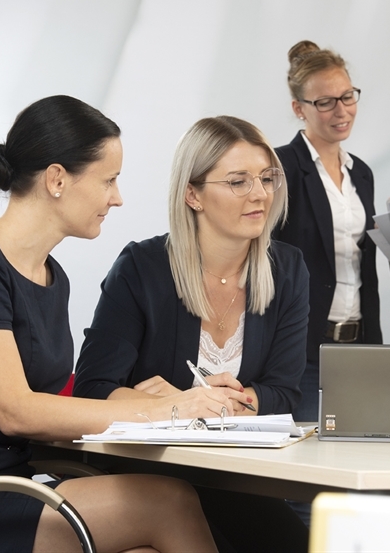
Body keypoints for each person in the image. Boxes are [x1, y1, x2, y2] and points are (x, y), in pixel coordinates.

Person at [0, 95, 217, 552]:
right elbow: (16, 411)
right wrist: (162, 412)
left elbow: (49, 398)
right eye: (108, 179)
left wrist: (137, 402)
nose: (118, 197)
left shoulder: (53, 277)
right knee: (170, 501)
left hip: (15, 484)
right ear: (56, 179)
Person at [73, 115, 310, 551]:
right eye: (238, 181)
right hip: (148, 476)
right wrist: (176, 403)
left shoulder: (288, 269)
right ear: (193, 194)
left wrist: (222, 401)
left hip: (236, 477)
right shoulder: (142, 269)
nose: (260, 194)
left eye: (266, 178)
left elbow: (283, 392)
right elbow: (93, 389)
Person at [273, 40, 382, 422]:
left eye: (347, 96)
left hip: (358, 346)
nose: (342, 111)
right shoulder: (279, 168)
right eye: (325, 102)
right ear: (298, 108)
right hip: (303, 351)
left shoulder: (361, 172)